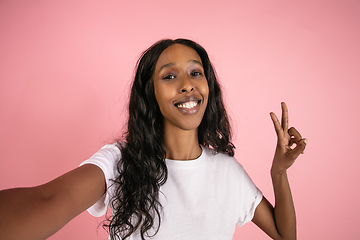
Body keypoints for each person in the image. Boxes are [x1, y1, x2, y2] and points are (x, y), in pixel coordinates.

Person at [0, 39, 307, 240]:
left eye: (196, 73)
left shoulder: (228, 171)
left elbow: (285, 235)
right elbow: (46, 200)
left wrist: (278, 173)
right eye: (170, 76)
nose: (187, 86)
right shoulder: (118, 161)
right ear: (151, 93)